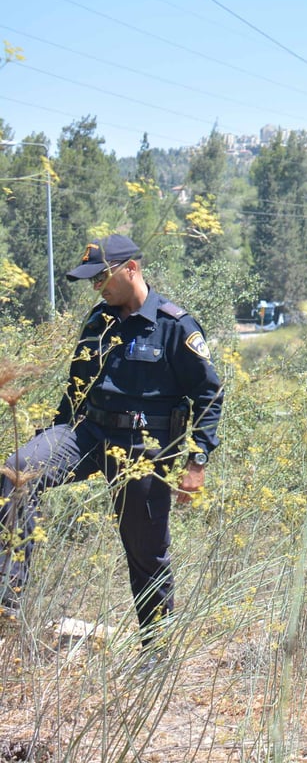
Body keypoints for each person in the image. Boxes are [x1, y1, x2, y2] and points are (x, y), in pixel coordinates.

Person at [0, 234, 223, 657]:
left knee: (145, 552)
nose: (97, 287)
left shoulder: (176, 326)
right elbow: (77, 387)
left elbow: (209, 395)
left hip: (145, 448)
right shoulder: (98, 321)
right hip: (87, 433)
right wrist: (53, 436)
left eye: (102, 277)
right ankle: (6, 603)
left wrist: (197, 462)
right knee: (18, 472)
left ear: (132, 269)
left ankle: (155, 654)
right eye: (92, 280)